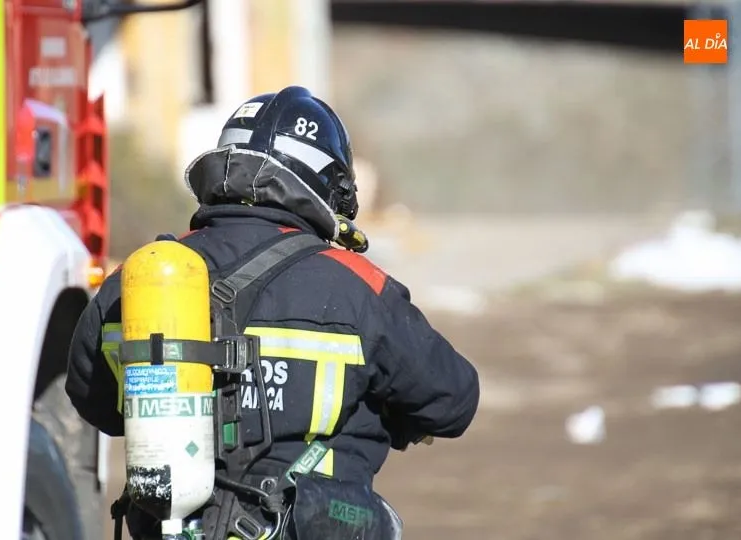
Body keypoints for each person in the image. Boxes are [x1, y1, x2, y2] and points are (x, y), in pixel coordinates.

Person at [65, 86, 480, 539]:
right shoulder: (358, 287)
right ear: (330, 186)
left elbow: (92, 399)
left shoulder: (140, 279)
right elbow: (454, 401)